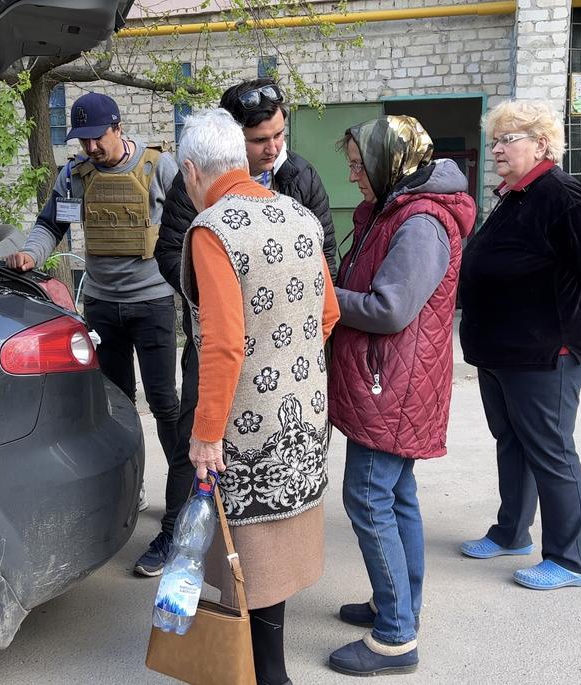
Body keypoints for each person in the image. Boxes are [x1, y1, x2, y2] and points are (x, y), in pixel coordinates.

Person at [137, 77, 339, 577]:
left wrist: (278, 338)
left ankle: (255, 576)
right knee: (197, 437)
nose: (272, 149)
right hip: (218, 339)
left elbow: (323, 260)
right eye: (259, 141)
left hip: (263, 354)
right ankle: (176, 532)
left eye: (278, 136)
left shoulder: (298, 178)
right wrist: (213, 288)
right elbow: (171, 253)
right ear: (233, 140)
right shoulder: (200, 192)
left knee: (225, 454)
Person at [177, 108, 339, 685]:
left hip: (246, 433)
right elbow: (329, 313)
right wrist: (289, 366)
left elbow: (222, 345)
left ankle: (263, 677)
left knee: (247, 559)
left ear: (193, 171)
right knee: (272, 561)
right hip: (302, 422)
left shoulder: (213, 229)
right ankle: (270, 673)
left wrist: (206, 433)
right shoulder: (298, 215)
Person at [326, 116, 476, 677]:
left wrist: (324, 294)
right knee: (397, 495)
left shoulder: (420, 222)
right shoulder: (397, 209)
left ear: (392, 162)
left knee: (368, 498)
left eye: (360, 165)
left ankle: (394, 637)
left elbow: (391, 309)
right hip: (395, 379)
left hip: (394, 382)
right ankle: (399, 606)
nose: (352, 175)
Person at [457, 99, 581, 590]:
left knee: (551, 450)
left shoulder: (563, 196)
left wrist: (580, 323)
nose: (497, 149)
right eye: (496, 140)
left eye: (509, 139)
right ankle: (511, 532)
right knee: (513, 441)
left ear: (542, 143)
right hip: (505, 349)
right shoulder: (517, 195)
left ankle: (572, 560)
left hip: (548, 350)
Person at [6, 92, 180, 498]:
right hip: (102, 304)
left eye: (97, 137)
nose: (90, 147)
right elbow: (51, 226)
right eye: (82, 140)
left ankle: (182, 487)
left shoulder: (158, 168)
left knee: (163, 402)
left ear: (117, 128)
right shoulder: (75, 176)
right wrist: (31, 256)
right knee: (116, 405)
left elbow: (188, 222)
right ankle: (130, 485)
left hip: (152, 303)